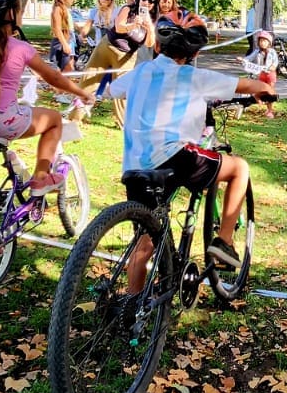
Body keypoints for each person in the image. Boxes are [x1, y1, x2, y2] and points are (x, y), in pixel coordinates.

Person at [104, 15, 275, 282]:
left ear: (158, 47)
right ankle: (225, 242)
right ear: (195, 52)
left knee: (145, 243)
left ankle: (131, 308)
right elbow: (249, 84)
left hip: (135, 164)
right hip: (174, 156)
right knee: (239, 168)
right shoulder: (195, 76)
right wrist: (266, 90)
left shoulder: (140, 72)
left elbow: (113, 91)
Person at [0, 0, 95, 264]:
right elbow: (53, 78)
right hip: (4, 121)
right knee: (54, 120)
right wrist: (82, 93)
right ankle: (41, 177)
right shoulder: (20, 48)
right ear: (11, 13)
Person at [243, 30, 280, 118]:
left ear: (269, 42)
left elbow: (275, 62)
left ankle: (270, 111)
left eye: (264, 41)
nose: (262, 43)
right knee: (259, 89)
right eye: (261, 41)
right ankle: (257, 98)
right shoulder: (257, 52)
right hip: (262, 74)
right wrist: (243, 59)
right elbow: (249, 58)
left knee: (269, 93)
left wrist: (272, 67)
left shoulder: (272, 52)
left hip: (270, 75)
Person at [46, 0, 81, 73]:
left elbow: (68, 24)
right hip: (63, 41)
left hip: (70, 39)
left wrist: (79, 29)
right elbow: (57, 29)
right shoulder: (58, 9)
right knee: (65, 69)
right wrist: (65, 44)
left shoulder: (65, 9)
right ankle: (60, 86)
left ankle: (65, 86)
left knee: (69, 68)